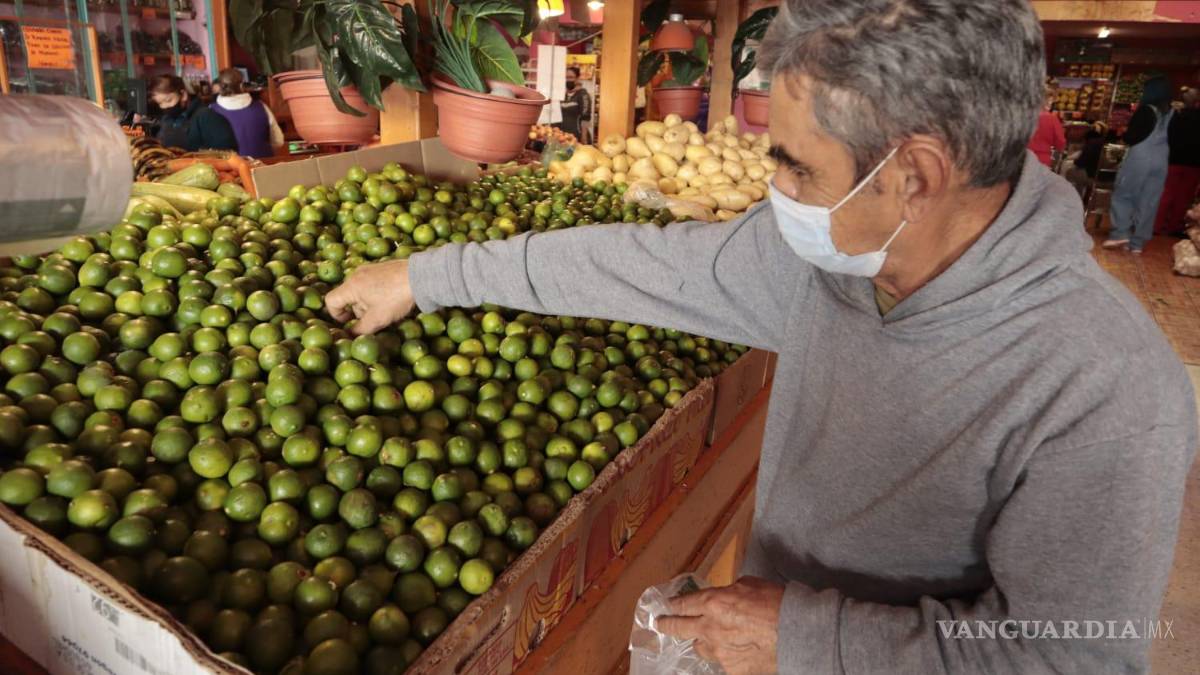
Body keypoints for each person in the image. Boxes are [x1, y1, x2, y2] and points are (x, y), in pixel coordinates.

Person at [328, 1, 1195, 672]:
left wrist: (807, 638)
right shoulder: (818, 262)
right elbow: (639, 263)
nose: (773, 190)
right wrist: (428, 276)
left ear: (916, 176)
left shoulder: (1109, 389)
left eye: (795, 165)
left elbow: (1070, 655)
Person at [1103, 75, 1174, 252]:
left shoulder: (1145, 110)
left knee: (1124, 194)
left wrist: (1123, 134)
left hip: (1140, 158)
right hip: (1161, 159)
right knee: (1149, 201)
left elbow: (1133, 137)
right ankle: (1137, 243)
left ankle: (1120, 234)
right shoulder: (1171, 112)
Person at [149, 74, 237, 152]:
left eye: (168, 100)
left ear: (183, 95)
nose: (164, 106)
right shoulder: (166, 119)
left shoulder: (206, 117)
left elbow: (227, 154)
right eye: (160, 103)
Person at [211, 68, 285, 159]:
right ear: (242, 85)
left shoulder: (211, 111)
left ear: (219, 86)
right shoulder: (261, 107)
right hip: (263, 166)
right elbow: (278, 141)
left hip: (228, 169)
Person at [1154, 87, 1200, 235]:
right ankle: (1174, 227)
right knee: (1184, 197)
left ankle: (1156, 226)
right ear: (1197, 101)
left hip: (1172, 159)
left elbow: (1167, 136)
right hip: (1194, 163)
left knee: (1166, 193)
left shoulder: (1175, 116)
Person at [1064, 122, 1106, 198]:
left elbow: (1080, 163)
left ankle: (1075, 198)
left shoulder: (1092, 143)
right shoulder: (1104, 143)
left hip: (1092, 176)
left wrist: (1075, 161)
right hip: (1105, 177)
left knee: (1070, 172)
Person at [1027, 86, 1066, 167]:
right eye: (1049, 101)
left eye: (1051, 101)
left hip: (1022, 158)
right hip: (1042, 159)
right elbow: (1060, 142)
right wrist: (1056, 158)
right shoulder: (1051, 118)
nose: (1050, 104)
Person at [558, 66, 592, 144]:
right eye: (566, 77)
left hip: (578, 136)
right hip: (563, 137)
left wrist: (584, 137)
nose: (568, 80)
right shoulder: (561, 94)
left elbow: (585, 118)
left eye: (571, 77)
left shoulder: (583, 95)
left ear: (577, 78)